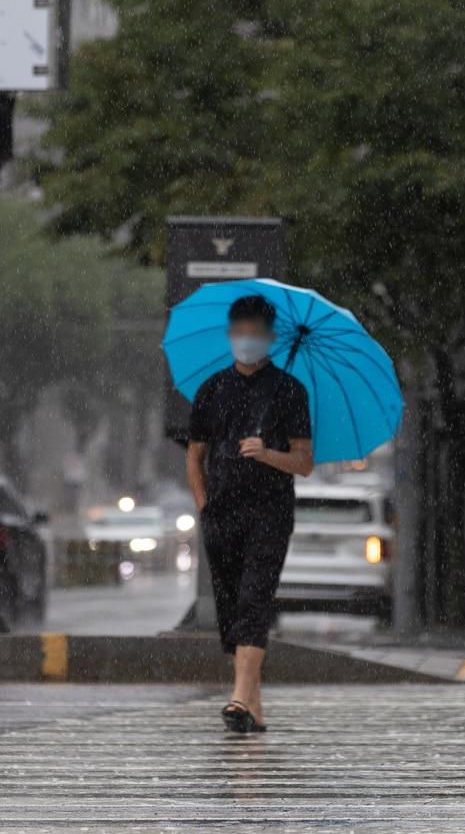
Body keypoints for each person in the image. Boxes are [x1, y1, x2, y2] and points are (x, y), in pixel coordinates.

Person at [186, 294, 314, 733]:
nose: (247, 341)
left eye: (256, 333)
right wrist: (204, 505)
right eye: (240, 332)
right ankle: (254, 706)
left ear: (271, 338)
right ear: (229, 334)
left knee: (254, 601)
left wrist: (268, 453)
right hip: (222, 515)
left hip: (270, 513)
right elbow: (194, 455)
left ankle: (239, 698)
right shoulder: (211, 390)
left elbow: (304, 462)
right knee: (230, 609)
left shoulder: (290, 392)